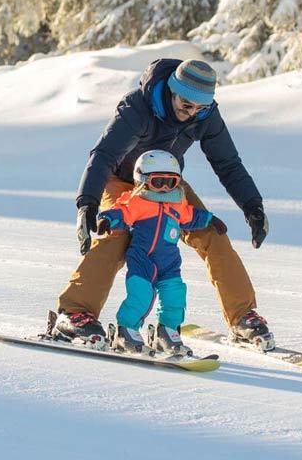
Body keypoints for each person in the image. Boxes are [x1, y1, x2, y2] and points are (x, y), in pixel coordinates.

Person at [51, 58, 274, 350]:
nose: (191, 113)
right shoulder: (137, 107)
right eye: (186, 105)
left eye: (199, 108)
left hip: (167, 184)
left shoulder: (206, 115)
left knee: (212, 234)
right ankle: (74, 313)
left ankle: (243, 318)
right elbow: (104, 155)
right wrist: (87, 203)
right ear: (172, 91)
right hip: (122, 181)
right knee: (117, 237)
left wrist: (252, 206)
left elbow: (228, 163)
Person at [97, 150, 221, 355]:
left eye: (170, 182)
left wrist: (210, 219)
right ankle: (125, 331)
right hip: (142, 259)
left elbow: (190, 215)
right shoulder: (138, 201)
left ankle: (167, 333)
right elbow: (123, 211)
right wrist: (107, 219)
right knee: (141, 295)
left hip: (169, 263)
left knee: (175, 296)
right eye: (158, 182)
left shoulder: (177, 203)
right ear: (143, 180)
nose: (164, 188)